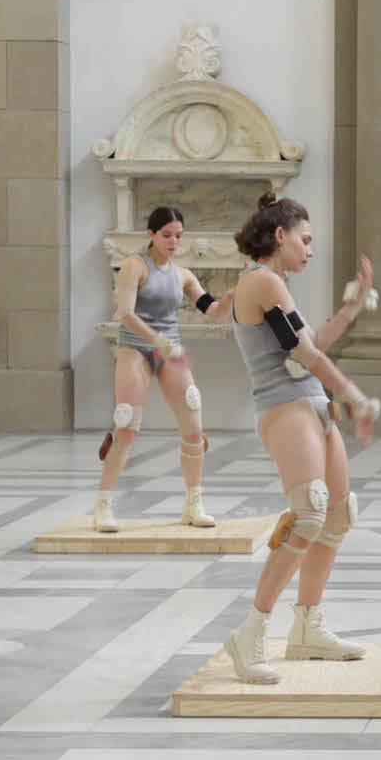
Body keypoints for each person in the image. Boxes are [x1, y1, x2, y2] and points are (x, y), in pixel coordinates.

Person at [209, 195, 381, 681]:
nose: (310, 250)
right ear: (279, 235)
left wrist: (349, 309)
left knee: (336, 516)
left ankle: (307, 628)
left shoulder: (275, 284)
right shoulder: (261, 281)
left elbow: (310, 344)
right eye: (304, 240)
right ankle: (250, 633)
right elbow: (304, 354)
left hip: (311, 403)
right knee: (309, 514)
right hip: (285, 406)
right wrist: (352, 393)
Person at [91, 207, 228, 535]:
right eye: (166, 235)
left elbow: (214, 311)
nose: (173, 241)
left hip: (170, 351)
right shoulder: (135, 265)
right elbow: (125, 313)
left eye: (178, 235)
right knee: (126, 425)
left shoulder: (183, 275)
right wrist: (157, 341)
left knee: (194, 424)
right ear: (151, 234)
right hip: (136, 348)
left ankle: (194, 503)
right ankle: (103, 505)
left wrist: (241, 291)